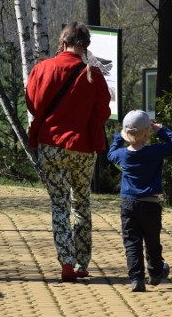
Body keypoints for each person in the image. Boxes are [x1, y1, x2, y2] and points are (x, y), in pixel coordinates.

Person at [25, 21, 111, 282]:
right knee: (82, 202)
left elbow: (31, 102)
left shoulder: (43, 69)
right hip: (83, 147)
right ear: (85, 47)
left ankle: (66, 262)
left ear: (63, 43)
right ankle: (82, 263)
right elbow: (103, 112)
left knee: (59, 204)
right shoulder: (93, 74)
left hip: (51, 146)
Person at [107, 110, 172, 292]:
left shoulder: (122, 155)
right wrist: (162, 130)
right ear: (146, 133)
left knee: (132, 243)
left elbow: (110, 154)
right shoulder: (154, 152)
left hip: (128, 204)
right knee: (152, 241)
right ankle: (156, 272)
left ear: (126, 134)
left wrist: (118, 137)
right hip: (150, 204)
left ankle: (136, 279)